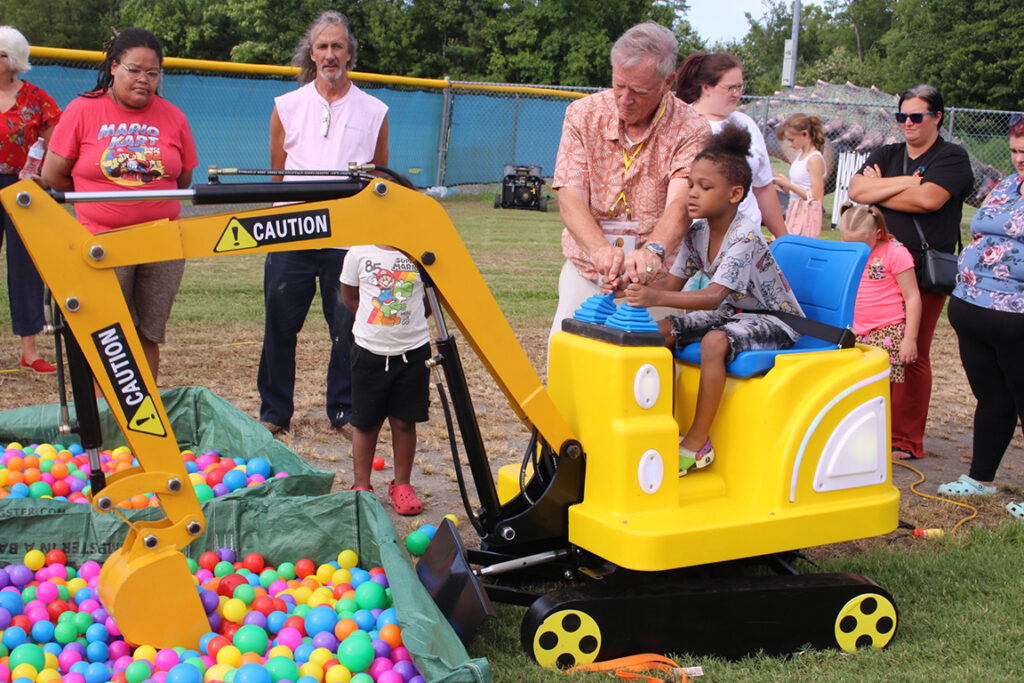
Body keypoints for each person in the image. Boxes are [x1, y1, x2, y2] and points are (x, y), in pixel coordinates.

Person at [623, 124, 804, 474]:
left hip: (776, 320)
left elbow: (712, 297)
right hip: (733, 313)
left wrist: (653, 294)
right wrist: (631, 284)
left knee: (714, 342)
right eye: (690, 184)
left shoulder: (745, 234)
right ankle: (661, 425)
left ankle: (697, 442)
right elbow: (672, 288)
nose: (691, 193)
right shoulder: (697, 232)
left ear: (735, 193)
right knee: (659, 331)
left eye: (704, 187)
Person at [258, 10, 388, 437]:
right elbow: (277, 175)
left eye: (337, 46)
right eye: (322, 46)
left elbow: (379, 181)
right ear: (311, 54)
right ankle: (275, 412)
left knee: (348, 325)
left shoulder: (374, 111)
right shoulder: (287, 106)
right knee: (280, 322)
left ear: (350, 53)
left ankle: (345, 411)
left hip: (347, 236)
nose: (330, 54)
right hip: (293, 231)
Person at [42, 28, 196, 383]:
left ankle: (144, 416)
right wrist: (99, 193)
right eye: (134, 69)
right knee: (109, 333)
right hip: (102, 243)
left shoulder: (173, 117)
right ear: (113, 67)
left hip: (161, 243)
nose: (143, 79)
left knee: (149, 332)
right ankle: (106, 417)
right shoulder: (82, 110)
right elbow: (53, 175)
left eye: (152, 73)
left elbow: (182, 179)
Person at [549, 21, 710, 339]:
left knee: (645, 377)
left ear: (668, 82)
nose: (624, 98)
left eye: (638, 91)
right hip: (587, 272)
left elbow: (680, 203)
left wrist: (653, 253)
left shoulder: (692, 128)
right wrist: (599, 251)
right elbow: (570, 197)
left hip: (657, 283)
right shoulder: (582, 115)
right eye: (618, 84)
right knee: (568, 361)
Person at [848, 84, 973, 460]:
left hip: (922, 269)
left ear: (936, 117)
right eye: (901, 116)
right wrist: (907, 182)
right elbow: (856, 190)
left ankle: (905, 439)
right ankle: (872, 430)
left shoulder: (952, 157)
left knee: (910, 352)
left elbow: (929, 199)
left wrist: (878, 189)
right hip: (875, 268)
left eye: (916, 117)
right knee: (870, 350)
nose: (907, 123)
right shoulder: (888, 152)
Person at [937, 113, 1024, 512]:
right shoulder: (1008, 185)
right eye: (1015, 151)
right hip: (973, 308)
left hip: (1016, 317)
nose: (1019, 159)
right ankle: (980, 478)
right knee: (991, 398)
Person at [340, 245, 431, 515]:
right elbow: (350, 297)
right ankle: (361, 486)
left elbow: (428, 301)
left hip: (413, 353)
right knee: (366, 422)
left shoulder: (419, 251)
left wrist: (406, 324)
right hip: (369, 352)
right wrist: (379, 324)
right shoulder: (358, 252)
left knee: (404, 421)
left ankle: (402, 485)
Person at [0, 26, 61, 375]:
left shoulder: (37, 99)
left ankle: (29, 349)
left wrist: (41, 171)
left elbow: (61, 141)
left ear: (9, 59)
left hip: (22, 189)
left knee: (25, 266)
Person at [675, 52, 787, 240]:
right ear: (706, 87)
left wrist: (784, 240)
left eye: (740, 87)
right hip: (694, 243)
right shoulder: (681, 123)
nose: (737, 93)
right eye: (730, 88)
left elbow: (763, 187)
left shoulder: (747, 124)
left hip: (746, 240)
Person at [838, 203, 921, 388]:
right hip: (853, 330)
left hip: (884, 331)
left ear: (877, 234)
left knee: (877, 389)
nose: (852, 248)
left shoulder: (896, 253)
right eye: (846, 241)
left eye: (859, 243)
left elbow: (912, 297)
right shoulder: (848, 250)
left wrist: (910, 340)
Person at [772, 114, 826, 237]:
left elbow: (817, 197)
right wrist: (781, 182)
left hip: (806, 214)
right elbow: (795, 190)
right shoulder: (801, 156)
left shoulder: (814, 159)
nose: (790, 144)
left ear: (805, 134)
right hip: (794, 209)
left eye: (792, 140)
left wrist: (789, 185)